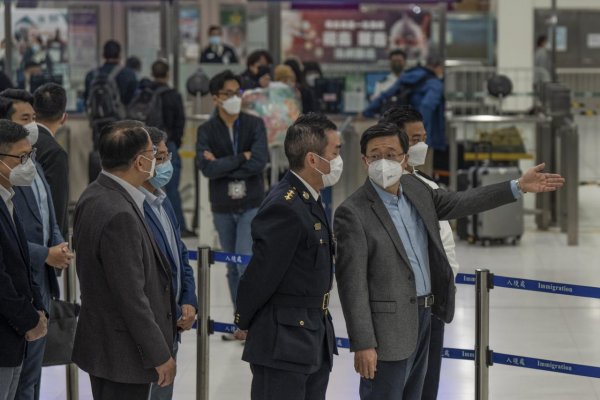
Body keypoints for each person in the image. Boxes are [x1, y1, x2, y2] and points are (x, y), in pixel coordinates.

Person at [333, 122, 565, 400]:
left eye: (391, 154)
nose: (383, 161)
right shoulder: (353, 212)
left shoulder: (417, 190)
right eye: (375, 155)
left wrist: (517, 187)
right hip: (387, 333)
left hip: (426, 318)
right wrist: (363, 344)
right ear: (363, 160)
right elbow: (352, 286)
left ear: (404, 158)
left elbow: (461, 201)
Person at [234, 113, 341, 400]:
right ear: (312, 159)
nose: (339, 160)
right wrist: (243, 319)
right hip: (284, 340)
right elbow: (261, 275)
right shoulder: (285, 206)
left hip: (311, 334)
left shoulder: (311, 198)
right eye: (335, 152)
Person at [72, 121, 177, 400]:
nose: (156, 159)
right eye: (152, 153)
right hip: (124, 352)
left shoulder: (94, 193)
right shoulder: (120, 213)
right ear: (140, 161)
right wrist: (159, 352)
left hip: (104, 344)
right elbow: (131, 296)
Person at [379, 106, 458, 400]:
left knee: (427, 386)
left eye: (423, 137)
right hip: (400, 310)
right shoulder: (381, 193)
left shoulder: (428, 185)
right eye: (414, 139)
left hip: (433, 305)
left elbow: (445, 243)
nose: (422, 145)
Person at [0, 89, 73, 400]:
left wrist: (58, 244)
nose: (32, 125)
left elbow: (50, 214)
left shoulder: (28, 169)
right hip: (13, 306)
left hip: (35, 288)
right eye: (24, 118)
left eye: (33, 118)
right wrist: (45, 254)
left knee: (31, 375)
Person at [196, 70, 268, 339]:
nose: (235, 98)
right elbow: (206, 168)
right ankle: (242, 323)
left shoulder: (254, 124)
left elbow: (259, 161)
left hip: (251, 201)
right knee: (230, 264)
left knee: (244, 262)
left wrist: (223, 163)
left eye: (237, 93)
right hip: (222, 205)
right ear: (215, 98)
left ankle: (252, 319)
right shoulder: (207, 129)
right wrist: (241, 158)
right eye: (228, 94)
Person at [141, 127, 198, 400]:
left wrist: (189, 299)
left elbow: (181, 256)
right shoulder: (131, 208)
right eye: (159, 157)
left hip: (171, 323)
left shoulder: (163, 200)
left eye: (167, 156)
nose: (166, 164)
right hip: (147, 328)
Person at [0, 120, 48, 400]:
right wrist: (28, 320)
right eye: (21, 158)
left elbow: (21, 260)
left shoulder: (9, 198)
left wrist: (37, 310)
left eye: (30, 156)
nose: (28, 164)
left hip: (14, 336)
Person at [362, 54, 446, 167]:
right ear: (438, 67)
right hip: (421, 136)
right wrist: (420, 132)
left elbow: (385, 95)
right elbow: (427, 105)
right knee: (419, 172)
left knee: (399, 166)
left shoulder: (408, 76)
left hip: (399, 132)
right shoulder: (435, 83)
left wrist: (366, 112)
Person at [143, 59, 191, 236]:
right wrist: (174, 143)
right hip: (166, 144)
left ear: (152, 73)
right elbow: (180, 122)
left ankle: (149, 223)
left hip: (144, 146)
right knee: (171, 187)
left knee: (144, 184)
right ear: (168, 74)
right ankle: (178, 226)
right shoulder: (173, 95)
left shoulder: (144, 92)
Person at [32, 83, 69, 238]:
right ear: (64, 117)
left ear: (34, 112)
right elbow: (57, 204)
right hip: (45, 241)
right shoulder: (55, 152)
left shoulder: (18, 140)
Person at [84, 40, 138, 107]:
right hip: (121, 116)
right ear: (119, 55)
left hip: (96, 116)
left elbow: (86, 98)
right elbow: (133, 99)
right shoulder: (129, 74)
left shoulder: (91, 75)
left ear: (103, 55)